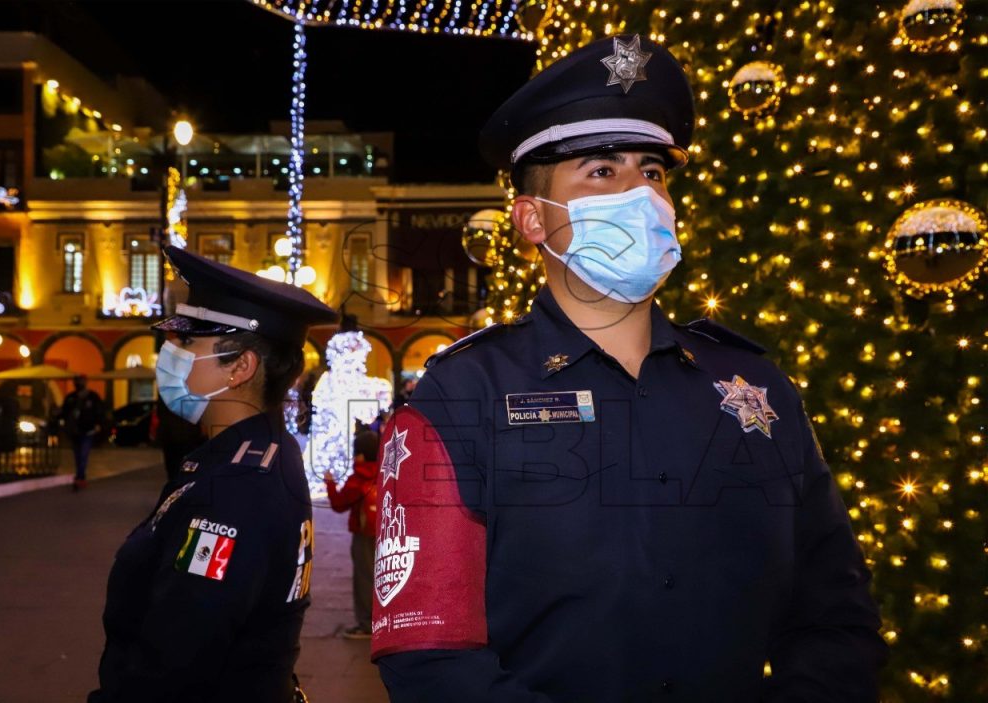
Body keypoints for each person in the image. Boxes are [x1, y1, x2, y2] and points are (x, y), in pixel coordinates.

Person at [371, 35, 887, 701]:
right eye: (601, 171)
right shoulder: (460, 395)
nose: (641, 194)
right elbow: (428, 652)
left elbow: (835, 614)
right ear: (532, 218)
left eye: (652, 172)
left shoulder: (758, 389)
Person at [89, 246, 338, 703]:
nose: (170, 353)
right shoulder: (245, 455)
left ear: (241, 366)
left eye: (188, 344)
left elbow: (177, 658)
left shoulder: (233, 488)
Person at [323, 424, 380, 639]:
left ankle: (366, 624)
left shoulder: (358, 481)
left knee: (365, 577)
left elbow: (339, 505)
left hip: (364, 534)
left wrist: (330, 484)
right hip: (389, 532)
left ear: (361, 456)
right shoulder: (389, 472)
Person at [59, 374, 105, 490]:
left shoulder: (92, 397)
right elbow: (64, 412)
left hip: (88, 430)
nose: (78, 383)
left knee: (83, 454)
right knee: (77, 455)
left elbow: (99, 411)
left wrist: (98, 424)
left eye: (81, 381)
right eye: (77, 381)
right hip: (75, 431)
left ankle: (80, 477)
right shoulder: (71, 398)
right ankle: (80, 476)